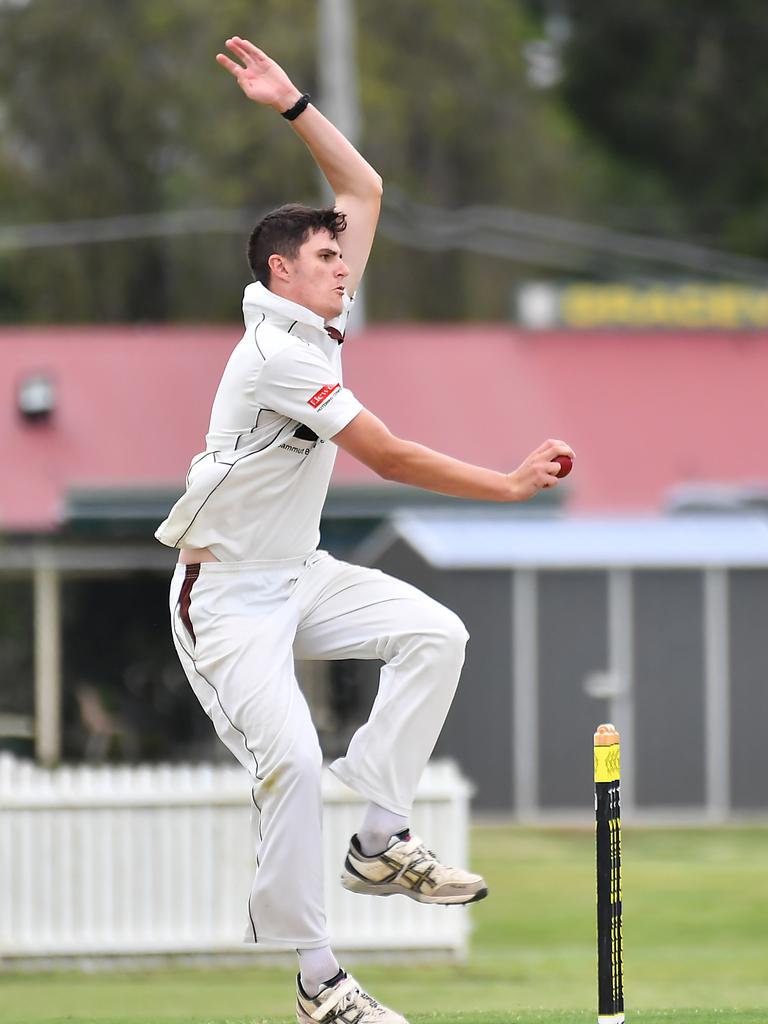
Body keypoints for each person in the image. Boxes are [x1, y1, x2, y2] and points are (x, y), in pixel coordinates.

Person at [155, 35, 575, 1024]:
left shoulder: (315, 320)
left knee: (437, 632)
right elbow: (386, 457)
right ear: (279, 270)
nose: (348, 268)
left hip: (297, 571)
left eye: (344, 255)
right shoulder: (274, 353)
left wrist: (291, 102)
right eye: (329, 259)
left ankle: (380, 837)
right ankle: (318, 981)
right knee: (293, 760)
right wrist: (507, 487)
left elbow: (367, 186)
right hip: (223, 598)